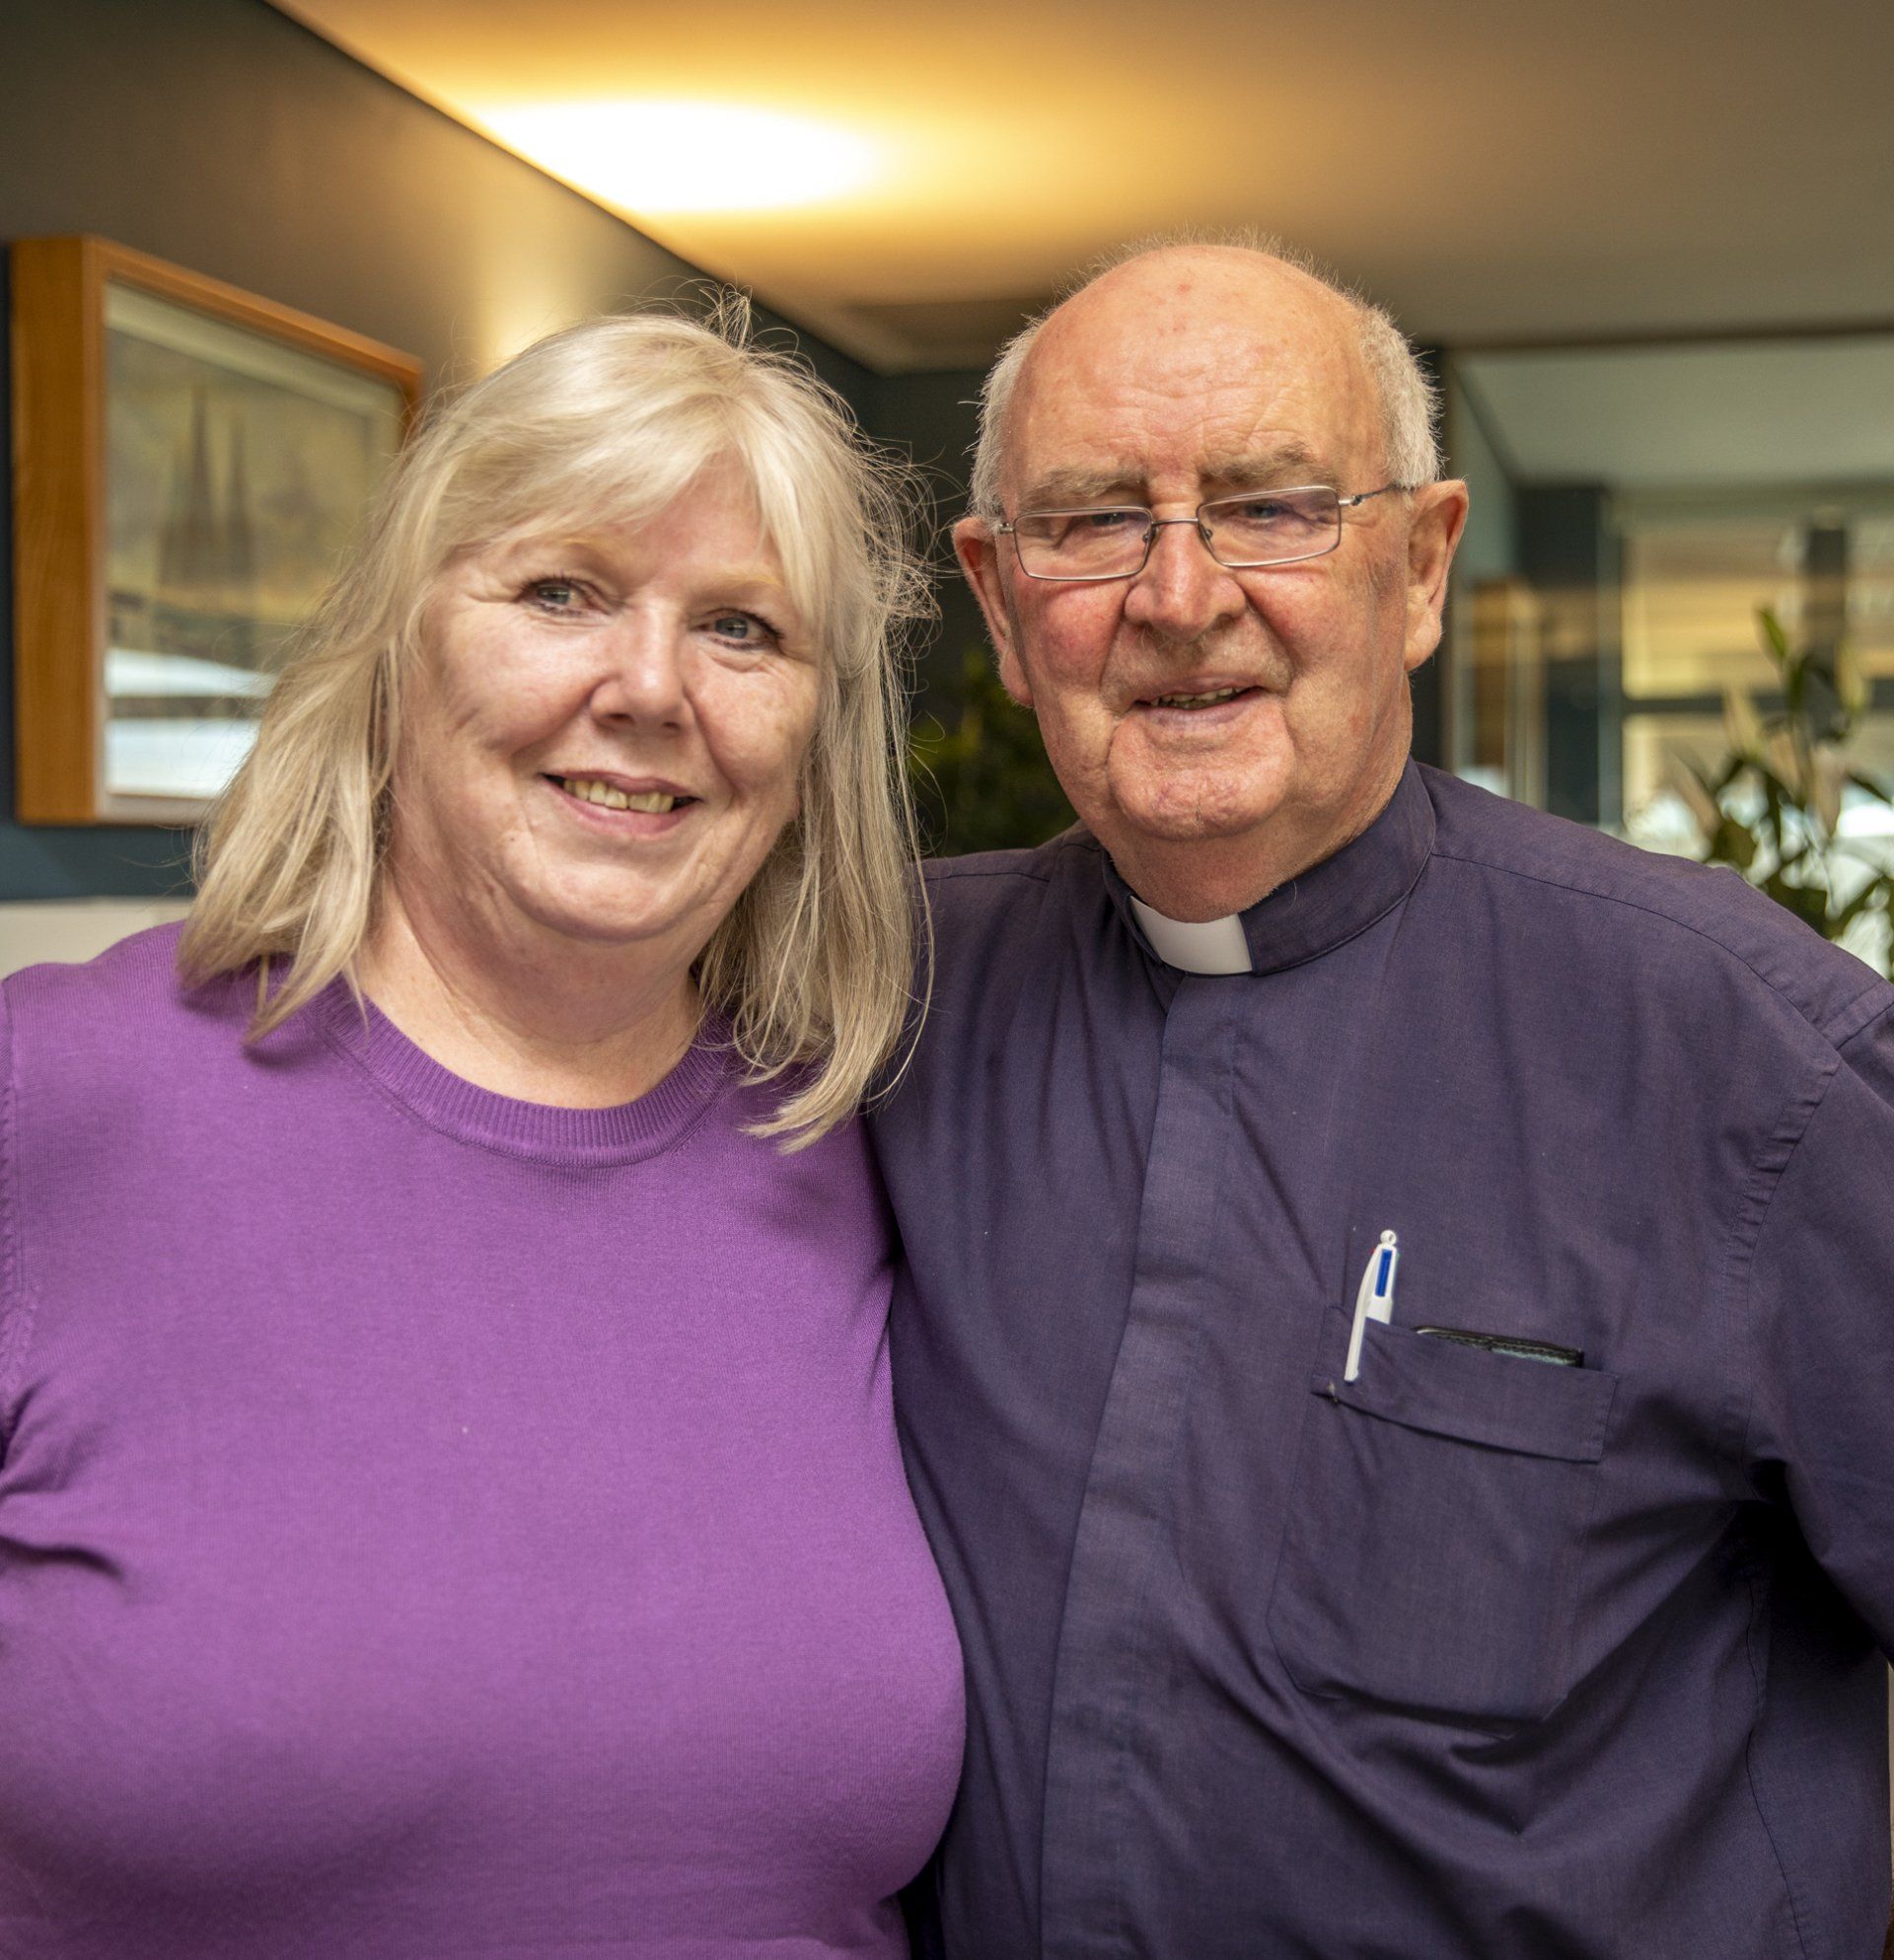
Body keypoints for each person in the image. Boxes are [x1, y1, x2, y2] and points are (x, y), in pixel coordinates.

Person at [871, 239, 1894, 1959]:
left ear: (1419, 567)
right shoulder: (875, 1015)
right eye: (1095, 519)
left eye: (1275, 507)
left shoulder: (1749, 1059)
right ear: (996, 595)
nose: (1180, 596)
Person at [0, 309, 963, 1956]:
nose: (648, 689)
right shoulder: (59, 1107)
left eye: (741, 629)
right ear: (399, 648)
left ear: (812, 745)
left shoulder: (870, 1150)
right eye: (561, 593)